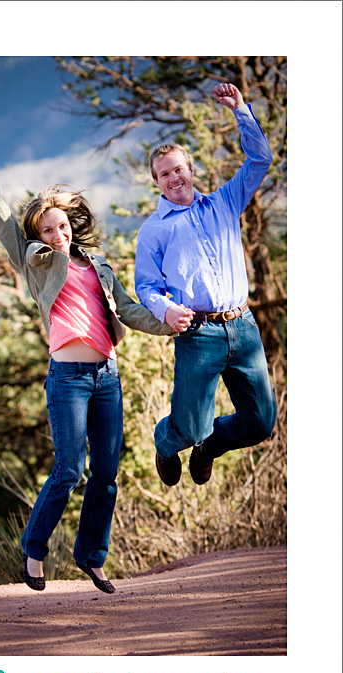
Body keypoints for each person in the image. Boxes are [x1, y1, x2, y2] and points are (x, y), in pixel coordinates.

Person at [0, 135, 174, 593]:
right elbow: (2, 219)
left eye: (62, 227)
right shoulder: (36, 263)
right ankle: (35, 550)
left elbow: (130, 311)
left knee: (106, 473)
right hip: (69, 379)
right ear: (38, 236)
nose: (58, 235)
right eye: (48, 231)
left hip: (107, 375)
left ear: (70, 227)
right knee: (68, 470)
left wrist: (170, 325)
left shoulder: (97, 265)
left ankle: (92, 557)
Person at [134, 82, 277, 488]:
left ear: (191, 170)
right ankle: (167, 441)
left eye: (179, 168)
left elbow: (260, 159)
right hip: (198, 333)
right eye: (164, 174)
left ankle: (210, 447)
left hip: (243, 327)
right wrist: (166, 309)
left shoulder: (225, 202)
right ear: (157, 182)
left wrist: (240, 111)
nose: (174, 177)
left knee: (260, 423)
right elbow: (146, 286)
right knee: (190, 428)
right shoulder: (154, 231)